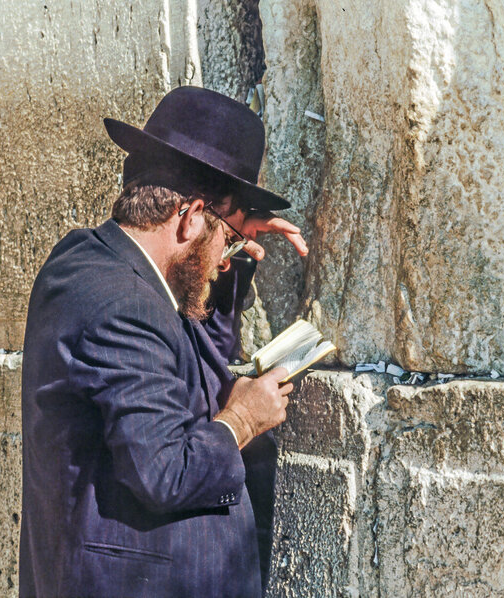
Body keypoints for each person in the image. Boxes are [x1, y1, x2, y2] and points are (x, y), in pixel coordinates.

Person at [19, 86, 308, 598]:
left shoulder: (95, 264)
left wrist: (233, 252)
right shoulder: (122, 303)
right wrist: (242, 420)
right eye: (227, 237)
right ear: (191, 215)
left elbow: (196, 365)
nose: (227, 253)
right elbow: (164, 472)